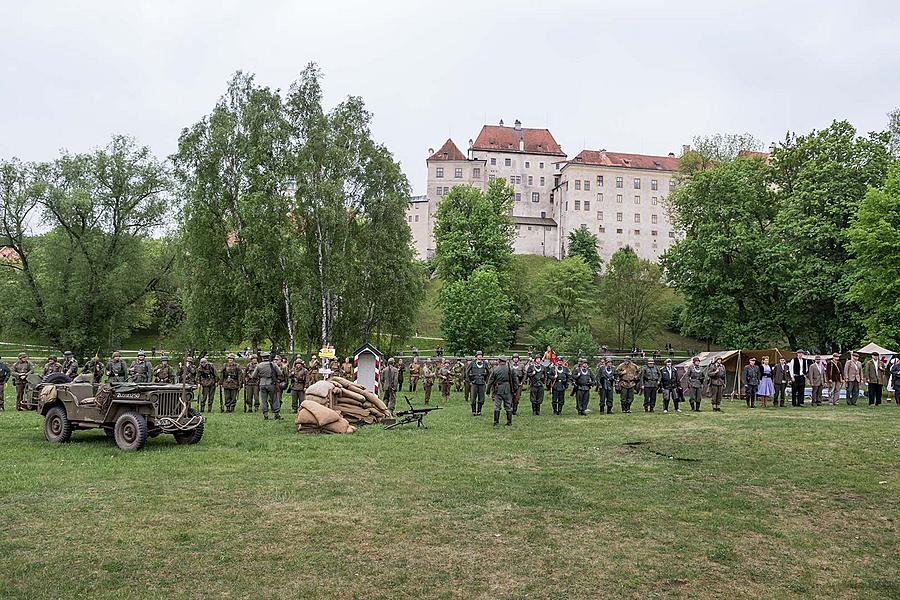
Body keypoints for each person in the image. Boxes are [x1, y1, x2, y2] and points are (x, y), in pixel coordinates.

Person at [487, 355, 519, 427]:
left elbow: (490, 381)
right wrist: (515, 390)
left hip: (498, 389)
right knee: (508, 406)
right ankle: (509, 422)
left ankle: (496, 422)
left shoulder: (495, 370)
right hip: (508, 389)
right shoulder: (511, 369)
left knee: (497, 406)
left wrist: (488, 390)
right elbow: (515, 381)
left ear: (499, 361)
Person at [251, 351, 282, 420]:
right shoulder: (273, 365)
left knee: (264, 400)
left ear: (262, 358)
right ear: (269, 357)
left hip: (262, 384)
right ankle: (276, 414)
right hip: (271, 383)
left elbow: (253, 376)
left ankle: (265, 414)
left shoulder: (259, 365)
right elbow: (280, 373)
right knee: (274, 399)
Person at [465, 351, 489, 416]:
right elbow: (467, 372)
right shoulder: (472, 363)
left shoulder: (485, 363)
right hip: (474, 382)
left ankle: (479, 411)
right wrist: (469, 381)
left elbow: (488, 372)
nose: (480, 356)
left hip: (482, 382)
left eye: (481, 355)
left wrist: (486, 381)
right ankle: (473, 411)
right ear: (476, 356)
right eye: (478, 355)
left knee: (481, 398)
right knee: (473, 398)